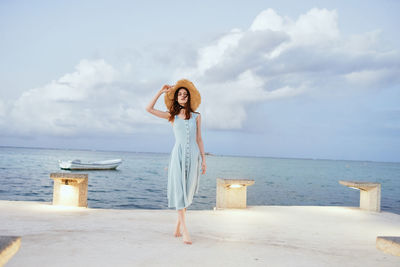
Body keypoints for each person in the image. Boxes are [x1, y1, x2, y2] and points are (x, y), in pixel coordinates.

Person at [145, 79, 206, 245]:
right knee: (179, 191)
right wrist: (160, 91)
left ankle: (178, 227)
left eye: (185, 94)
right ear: (176, 98)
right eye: (180, 94)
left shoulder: (197, 117)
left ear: (189, 98)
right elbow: (148, 109)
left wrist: (203, 160)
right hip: (177, 156)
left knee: (187, 192)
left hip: (194, 156)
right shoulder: (172, 116)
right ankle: (185, 231)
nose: (183, 96)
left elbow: (199, 139)